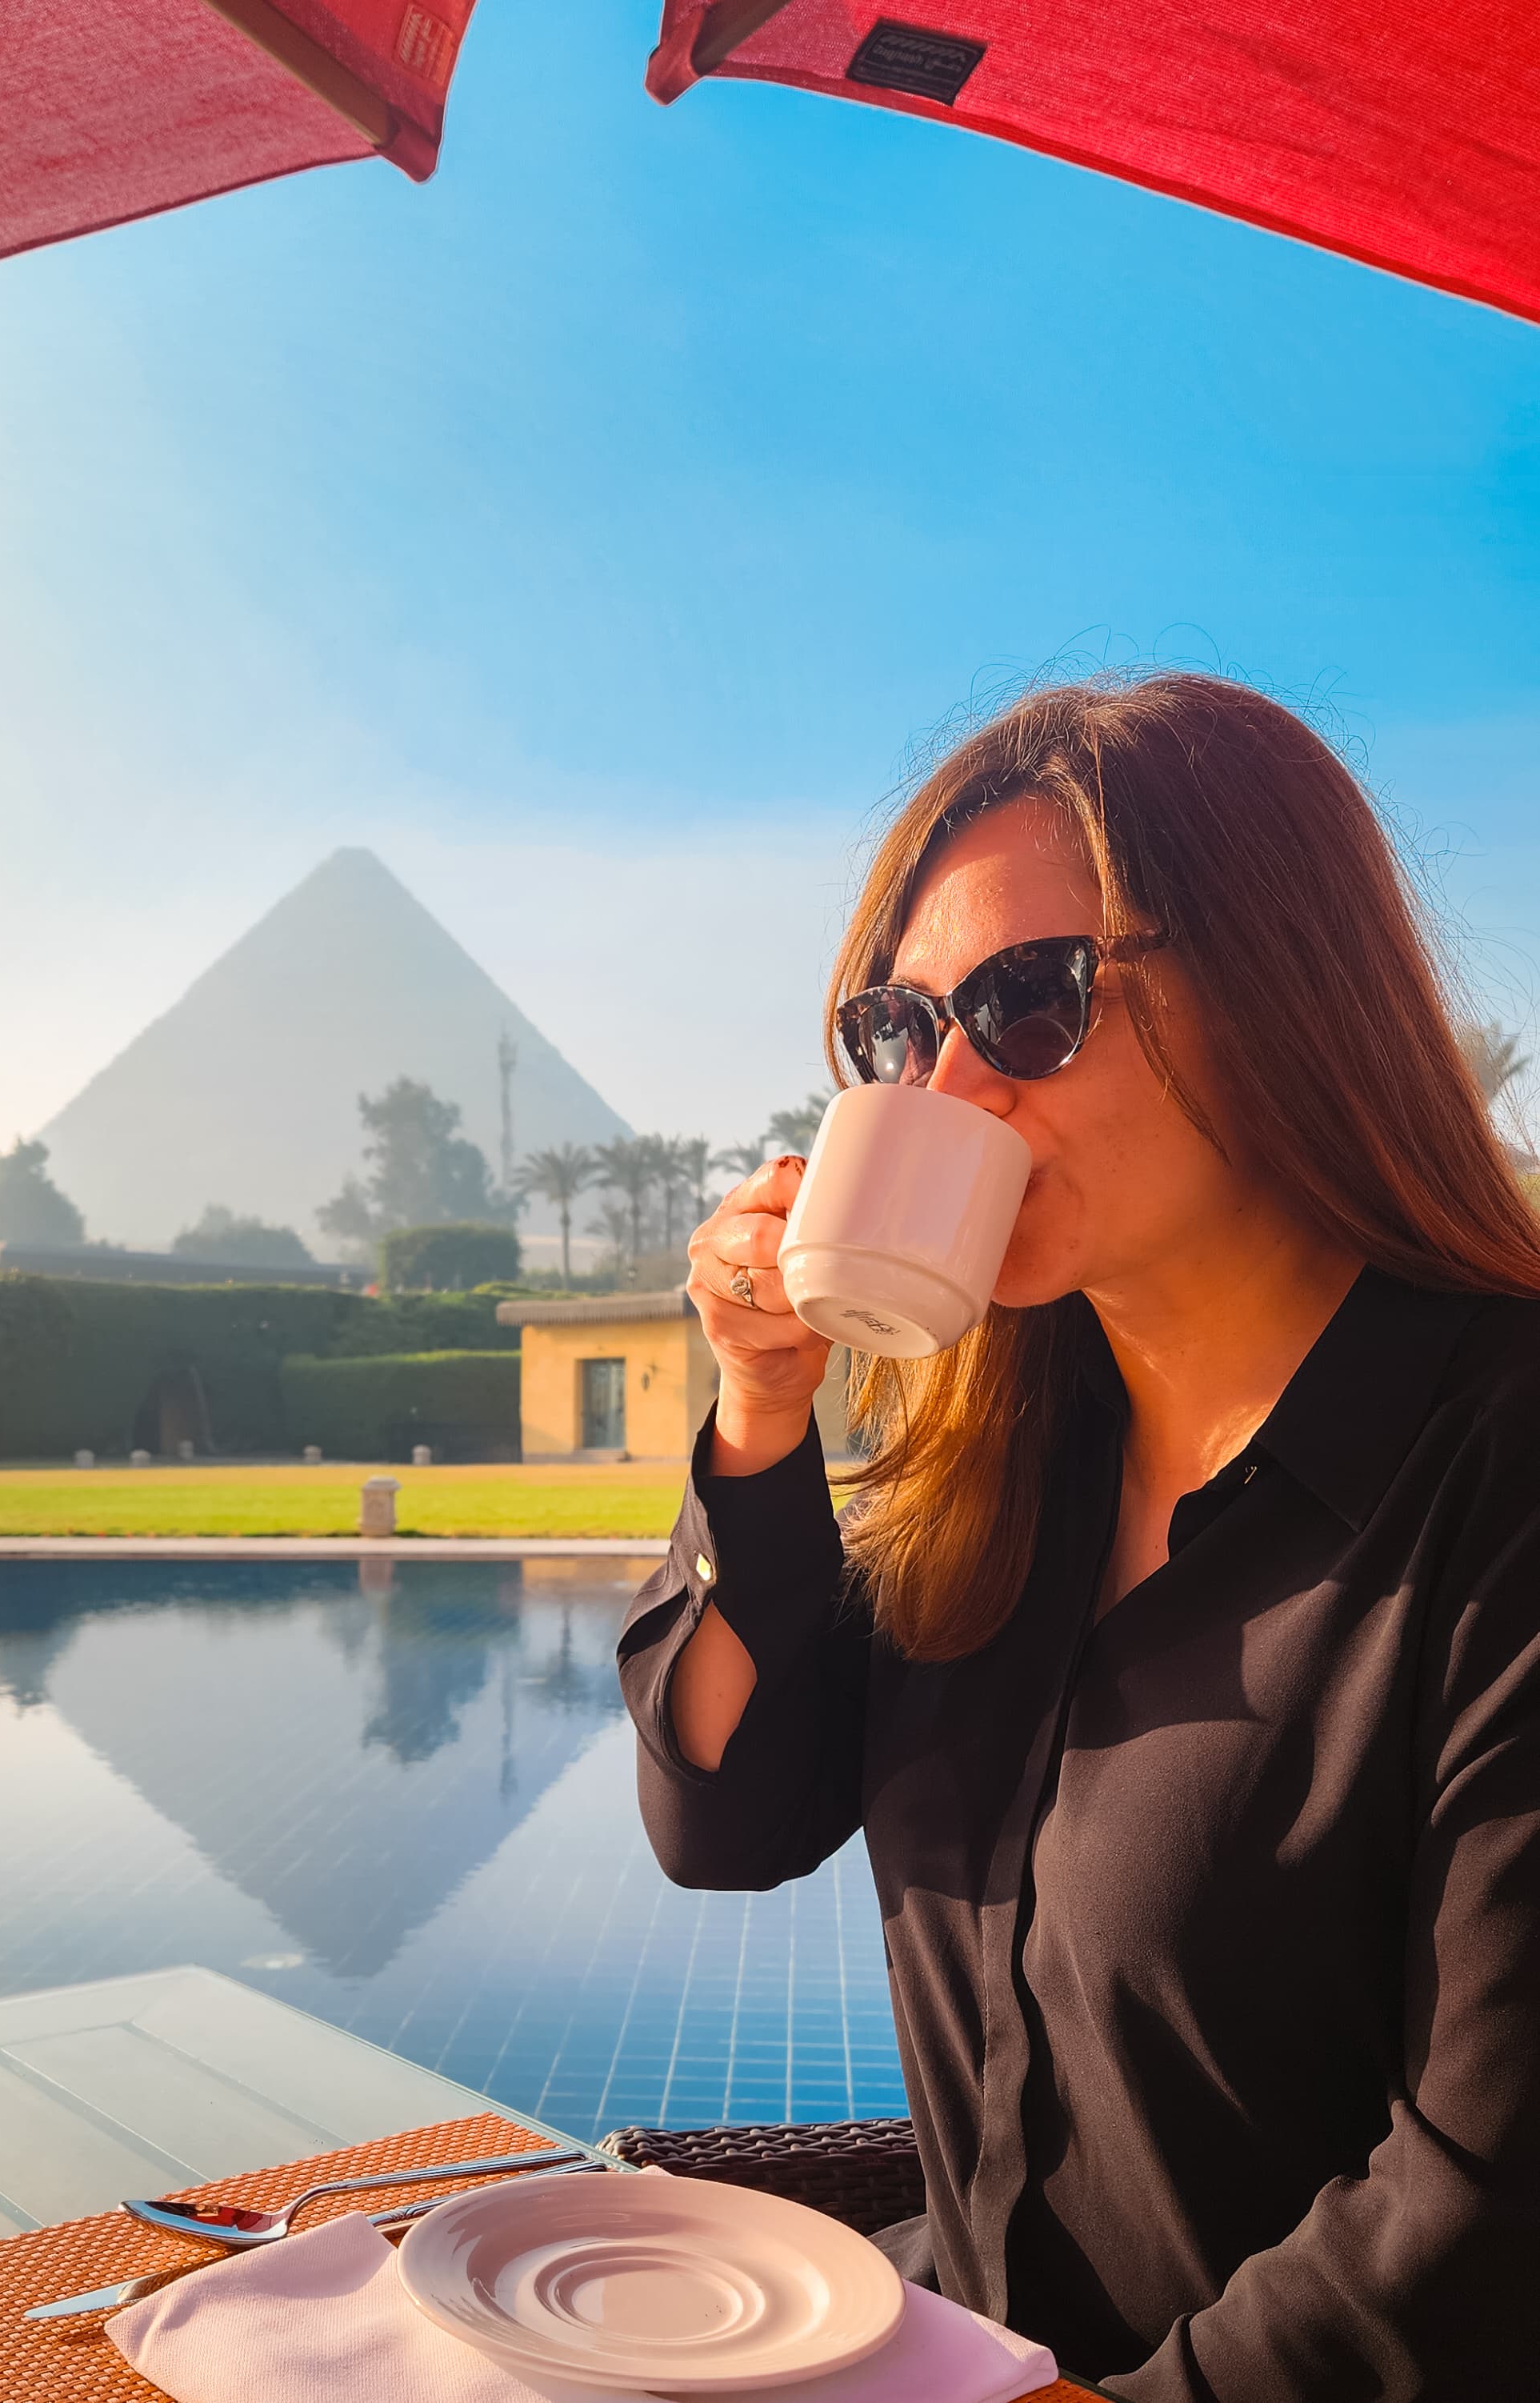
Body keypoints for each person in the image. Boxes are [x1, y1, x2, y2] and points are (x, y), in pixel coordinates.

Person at [618, 673, 1540, 2401]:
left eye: (1030, 1003)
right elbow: (723, 1815)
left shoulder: (1494, 1473)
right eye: (898, 1032)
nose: (949, 1086)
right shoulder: (1006, 1459)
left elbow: (1484, 2220)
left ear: (1281, 991)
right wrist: (757, 1413)